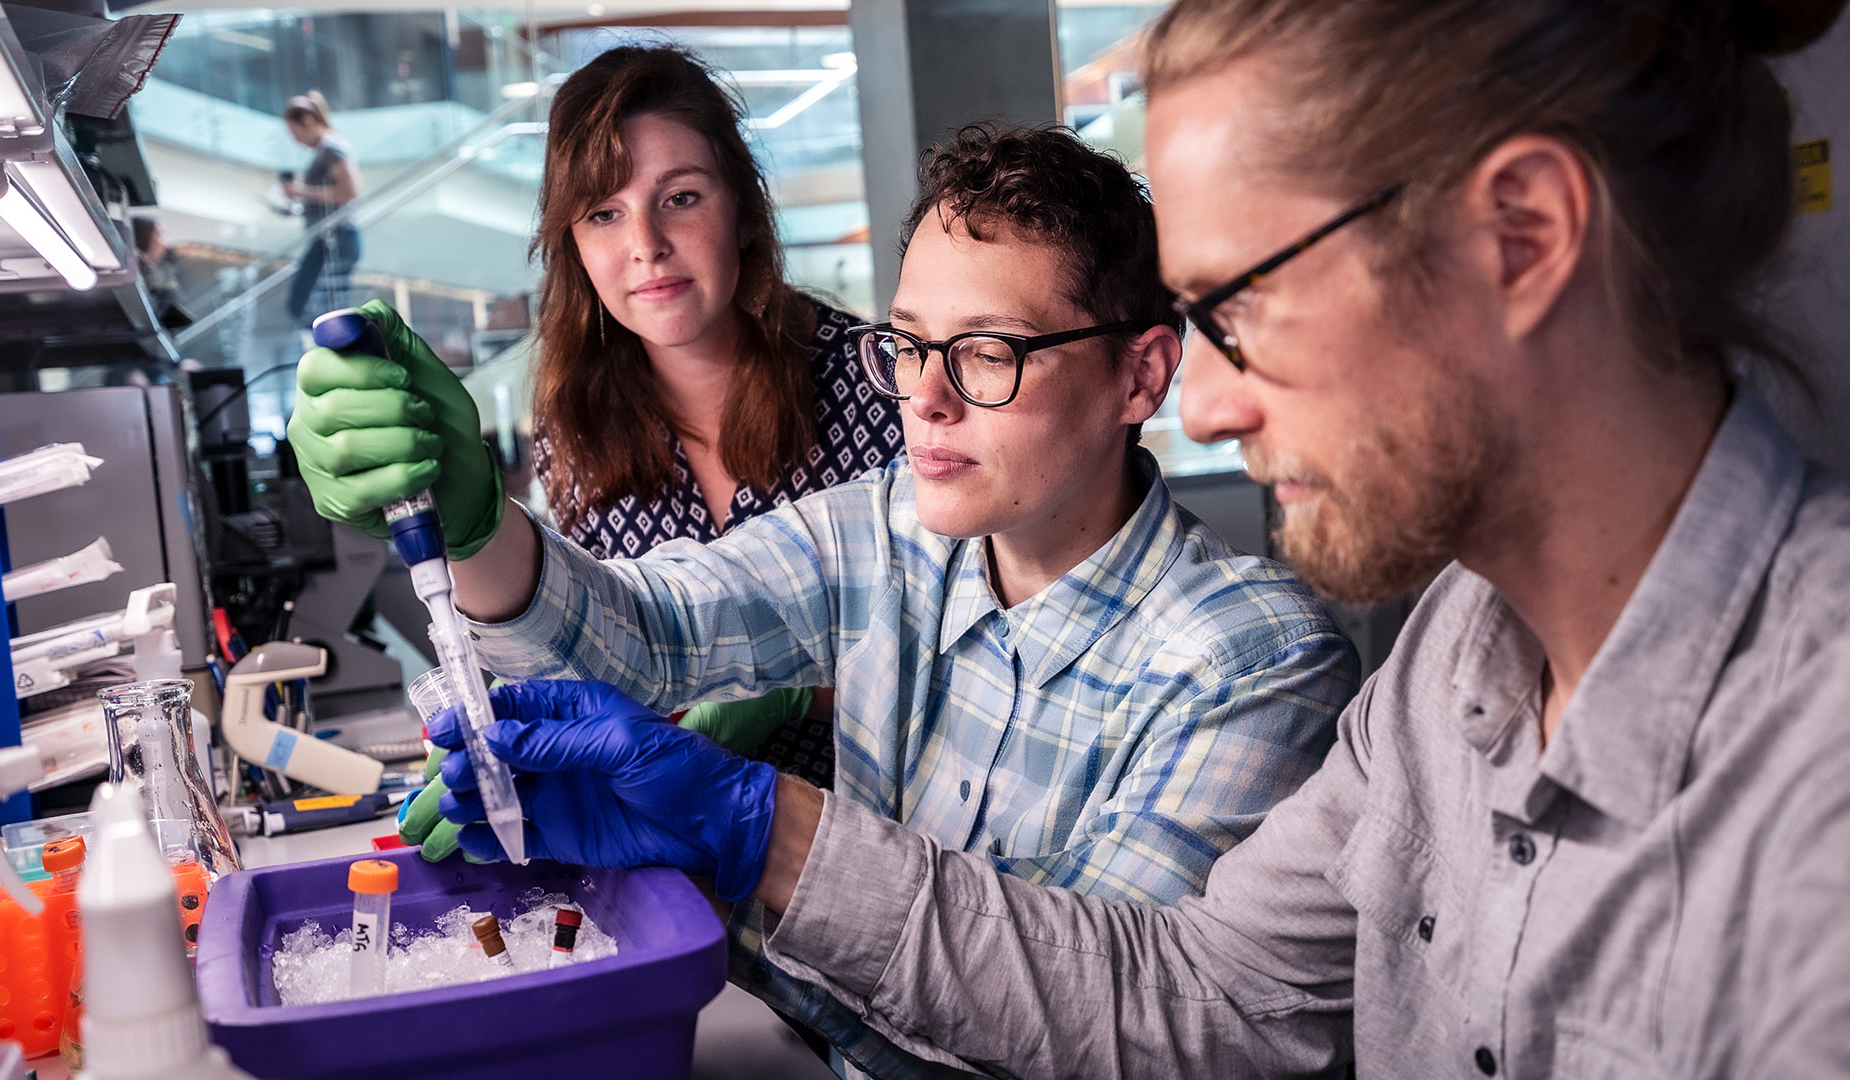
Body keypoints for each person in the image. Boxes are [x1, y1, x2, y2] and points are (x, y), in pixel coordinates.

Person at [418, 0, 1850, 1075]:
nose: (1210, 404)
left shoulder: (1812, 781)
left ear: (1523, 238)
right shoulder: (1447, 670)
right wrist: (745, 833)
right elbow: (1199, 996)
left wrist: (750, 831)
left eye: (1243, 301)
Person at [291, 122, 1360, 1075]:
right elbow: (652, 630)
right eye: (909, 345)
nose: (927, 400)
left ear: (1139, 377)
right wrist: (482, 534)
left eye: (988, 351)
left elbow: (1105, 1022)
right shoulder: (886, 528)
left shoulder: (1252, 659)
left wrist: (757, 837)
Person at [391, 45, 909, 862]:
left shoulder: (879, 380)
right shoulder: (574, 427)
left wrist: (786, 696)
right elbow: (589, 649)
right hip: (676, 860)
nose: (646, 243)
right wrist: (509, 713)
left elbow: (965, 649)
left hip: (873, 854)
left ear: (741, 208)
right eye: (604, 212)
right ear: (574, 244)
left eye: (680, 198)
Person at [281, 91, 363, 324]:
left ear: (306, 121)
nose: (295, 140)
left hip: (336, 237)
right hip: (331, 237)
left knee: (306, 305)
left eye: (294, 132)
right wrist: (300, 207)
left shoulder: (331, 147)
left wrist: (300, 192)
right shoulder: (327, 148)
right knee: (322, 309)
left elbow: (350, 191)